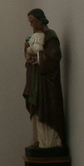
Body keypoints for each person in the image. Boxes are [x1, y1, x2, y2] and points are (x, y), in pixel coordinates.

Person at [23, 8, 66, 148]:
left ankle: (49, 142)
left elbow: (54, 55)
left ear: (40, 20)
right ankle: (38, 139)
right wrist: (28, 53)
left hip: (46, 84)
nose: (31, 25)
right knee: (36, 108)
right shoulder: (35, 37)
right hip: (36, 81)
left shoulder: (50, 36)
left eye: (33, 21)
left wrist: (37, 56)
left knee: (46, 110)